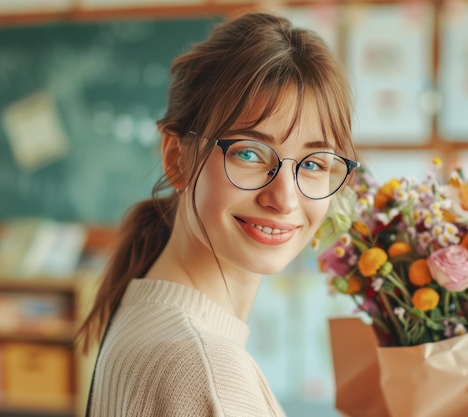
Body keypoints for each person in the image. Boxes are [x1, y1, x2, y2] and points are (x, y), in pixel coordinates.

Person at [76, 11, 359, 417]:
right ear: (177, 158)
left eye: (314, 164)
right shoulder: (204, 368)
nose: (284, 199)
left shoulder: (152, 311)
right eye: (249, 153)